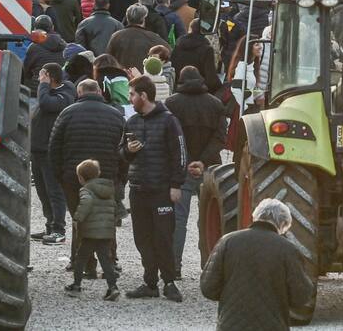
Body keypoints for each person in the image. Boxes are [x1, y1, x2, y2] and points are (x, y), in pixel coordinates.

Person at [48, 78, 126, 278]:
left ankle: (83, 264)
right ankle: (110, 261)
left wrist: (61, 175)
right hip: (107, 175)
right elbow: (123, 150)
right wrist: (120, 178)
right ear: (99, 91)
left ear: (79, 92)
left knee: (79, 219)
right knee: (106, 219)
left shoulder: (67, 113)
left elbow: (54, 147)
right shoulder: (116, 115)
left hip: (75, 178)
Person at [200, 197, 315, 331]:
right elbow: (301, 296)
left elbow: (208, 288)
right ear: (283, 224)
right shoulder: (288, 249)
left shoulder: (227, 241)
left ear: (255, 216)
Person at [122, 75, 187, 302]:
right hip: (138, 189)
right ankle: (150, 282)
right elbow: (122, 154)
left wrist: (176, 185)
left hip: (161, 189)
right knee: (142, 238)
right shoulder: (131, 122)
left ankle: (169, 282)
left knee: (163, 237)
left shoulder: (169, 121)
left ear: (143, 95)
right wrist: (129, 150)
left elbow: (179, 154)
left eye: (132, 94)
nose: (129, 98)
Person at [165, 65, 227, 274]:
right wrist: (201, 161)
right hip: (209, 168)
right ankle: (209, 266)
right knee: (209, 220)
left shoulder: (172, 104)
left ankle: (174, 266)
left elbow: (172, 138)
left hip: (180, 169)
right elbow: (220, 138)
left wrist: (189, 160)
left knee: (178, 220)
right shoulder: (215, 104)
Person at [64, 159, 121, 301]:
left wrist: (77, 219)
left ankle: (76, 285)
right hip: (106, 232)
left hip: (90, 233)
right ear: (99, 173)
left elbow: (86, 204)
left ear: (80, 178)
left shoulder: (86, 190)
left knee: (80, 258)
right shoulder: (108, 189)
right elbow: (114, 207)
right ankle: (112, 287)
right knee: (106, 260)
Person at [33, 62, 75, 244]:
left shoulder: (65, 93)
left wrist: (43, 85)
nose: (38, 79)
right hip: (38, 150)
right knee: (42, 191)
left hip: (51, 151)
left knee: (54, 191)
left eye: (42, 75)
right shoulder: (51, 92)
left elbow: (46, 104)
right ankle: (49, 225)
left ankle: (59, 229)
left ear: (49, 75)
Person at [107, 4, 165, 70]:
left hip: (121, 77)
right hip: (143, 78)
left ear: (127, 18)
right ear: (143, 18)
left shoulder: (115, 37)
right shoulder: (153, 38)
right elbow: (167, 53)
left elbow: (109, 59)